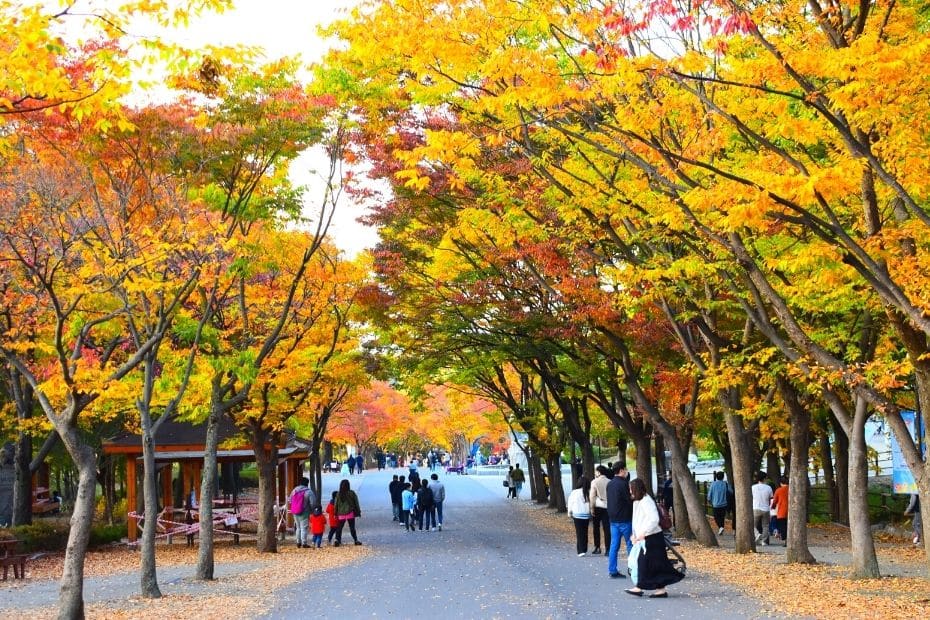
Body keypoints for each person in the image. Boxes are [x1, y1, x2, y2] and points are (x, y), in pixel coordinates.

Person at [625, 478, 684, 598]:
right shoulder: (638, 501)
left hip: (652, 537)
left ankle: (639, 587)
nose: (629, 490)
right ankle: (659, 589)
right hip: (647, 537)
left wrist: (643, 533)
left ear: (635, 489)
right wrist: (635, 534)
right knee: (655, 564)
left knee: (645, 562)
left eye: (631, 488)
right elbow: (638, 521)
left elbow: (654, 519)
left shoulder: (646, 501)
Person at [606, 462, 633, 579]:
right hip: (625, 518)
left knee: (614, 546)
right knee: (630, 544)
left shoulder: (610, 484)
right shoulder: (624, 484)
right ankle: (633, 568)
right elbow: (628, 500)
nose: (626, 471)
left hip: (613, 519)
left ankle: (612, 570)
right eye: (625, 469)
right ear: (622, 470)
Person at [288, 476, 316, 548]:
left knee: (298, 527)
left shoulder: (294, 490)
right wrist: (312, 510)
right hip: (304, 512)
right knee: (304, 528)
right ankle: (304, 543)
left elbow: (290, 500)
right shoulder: (308, 491)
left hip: (295, 512)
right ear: (307, 483)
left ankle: (298, 542)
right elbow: (313, 503)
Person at [567, 475, 592, 556]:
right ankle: (584, 549)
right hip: (586, 515)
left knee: (579, 532)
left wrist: (569, 512)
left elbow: (570, 503)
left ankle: (580, 550)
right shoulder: (588, 492)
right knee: (585, 532)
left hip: (577, 515)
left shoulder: (574, 492)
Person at [334, 479, 362, 546]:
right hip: (350, 513)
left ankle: (337, 540)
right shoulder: (352, 493)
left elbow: (336, 504)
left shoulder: (338, 494)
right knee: (352, 527)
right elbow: (356, 503)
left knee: (339, 527)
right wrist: (358, 511)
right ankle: (356, 540)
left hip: (341, 514)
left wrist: (335, 513)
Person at [589, 465, 611, 555]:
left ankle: (597, 547)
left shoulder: (594, 482)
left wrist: (592, 508)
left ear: (598, 472)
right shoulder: (610, 481)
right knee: (607, 528)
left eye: (595, 471)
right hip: (607, 507)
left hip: (597, 507)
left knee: (596, 528)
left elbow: (592, 496)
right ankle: (608, 549)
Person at [752, 471, 774, 546]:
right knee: (765, 526)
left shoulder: (753, 487)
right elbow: (771, 498)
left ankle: (757, 534)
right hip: (766, 509)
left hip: (756, 508)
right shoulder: (768, 488)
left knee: (753, 525)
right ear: (764, 479)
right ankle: (764, 541)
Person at [707, 471, 729, 536]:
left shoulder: (713, 484)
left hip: (715, 504)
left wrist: (709, 500)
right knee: (722, 517)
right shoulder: (725, 484)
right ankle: (721, 528)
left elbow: (710, 493)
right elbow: (730, 491)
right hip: (724, 504)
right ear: (723, 477)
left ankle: (720, 527)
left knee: (716, 517)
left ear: (716, 477)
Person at [770, 475, 789, 546]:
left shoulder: (778, 490)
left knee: (783, 527)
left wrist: (773, 507)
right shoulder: (792, 489)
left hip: (782, 512)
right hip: (791, 512)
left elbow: (774, 501)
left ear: (781, 483)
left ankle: (785, 540)